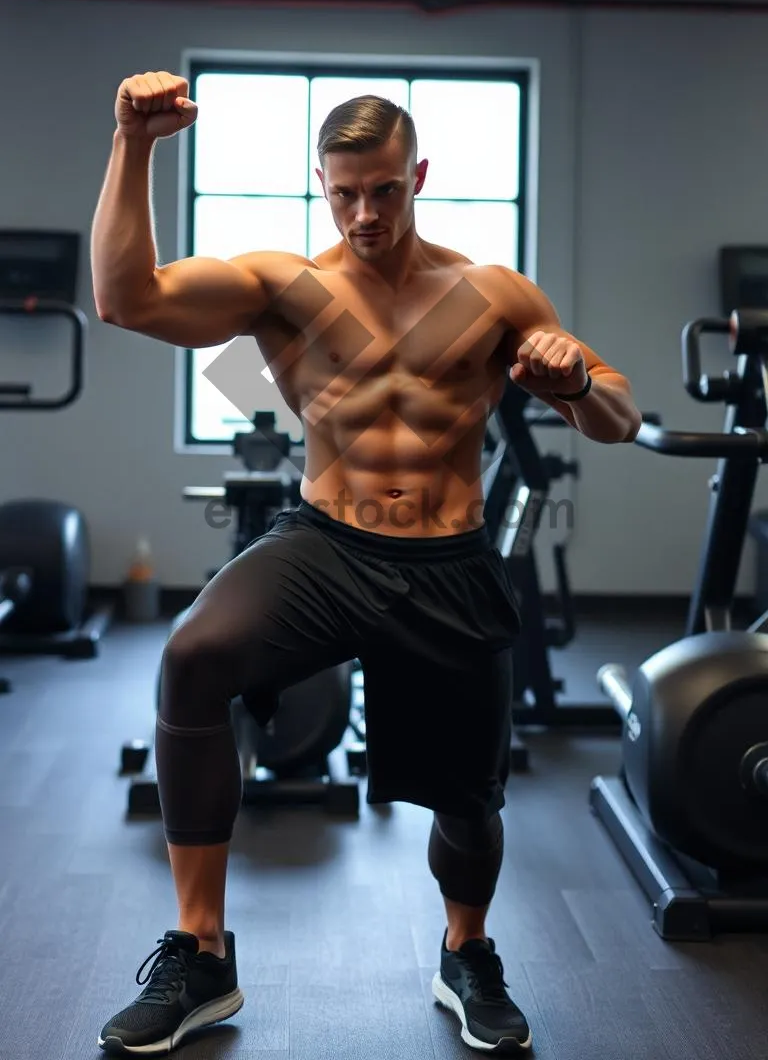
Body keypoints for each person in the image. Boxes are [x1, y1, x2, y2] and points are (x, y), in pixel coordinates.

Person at [91, 70, 641, 1056]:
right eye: (343, 192)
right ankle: (201, 949)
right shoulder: (285, 289)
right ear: (320, 185)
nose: (363, 212)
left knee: (469, 800)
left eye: (383, 189)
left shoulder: (491, 293)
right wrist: (133, 144)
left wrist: (572, 379)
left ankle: (466, 950)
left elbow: (617, 416)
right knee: (192, 658)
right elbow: (126, 300)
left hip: (448, 558)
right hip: (325, 543)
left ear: (418, 175)